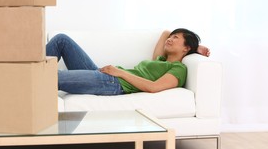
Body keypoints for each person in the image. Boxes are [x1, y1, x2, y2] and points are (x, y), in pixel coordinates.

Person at [46, 29, 210, 95]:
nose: (169, 39)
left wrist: (119, 72)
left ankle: (23, 81)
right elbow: (165, 32)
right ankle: (23, 71)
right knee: (62, 40)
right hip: (107, 75)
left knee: (53, 77)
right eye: (171, 37)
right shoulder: (160, 60)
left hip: (115, 83)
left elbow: (153, 87)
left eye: (176, 38)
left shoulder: (178, 68)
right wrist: (196, 47)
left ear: (185, 48)